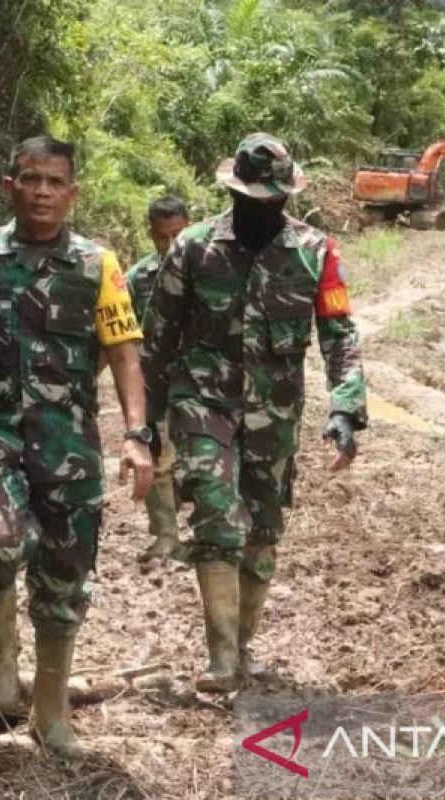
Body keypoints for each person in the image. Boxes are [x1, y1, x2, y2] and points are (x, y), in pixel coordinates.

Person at [0, 135, 154, 756]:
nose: (42, 191)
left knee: (65, 577)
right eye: (30, 179)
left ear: (72, 193)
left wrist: (136, 435)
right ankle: (0, 641)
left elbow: (125, 353)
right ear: (9, 186)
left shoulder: (98, 265)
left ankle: (49, 715)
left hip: (67, 445)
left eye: (54, 182)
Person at [141, 133, 367, 693]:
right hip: (203, 403)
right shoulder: (192, 249)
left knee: (263, 533)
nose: (264, 209)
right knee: (218, 518)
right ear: (233, 192)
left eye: (275, 200)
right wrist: (142, 424)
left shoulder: (316, 252)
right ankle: (219, 660)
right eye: (253, 199)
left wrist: (346, 409)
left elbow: (339, 335)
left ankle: (241, 648)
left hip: (275, 415)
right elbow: (157, 341)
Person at [125, 196, 189, 561]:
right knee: (156, 454)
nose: (172, 246)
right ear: (151, 235)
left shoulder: (208, 269)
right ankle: (166, 534)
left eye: (179, 235)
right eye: (163, 238)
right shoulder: (138, 279)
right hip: (154, 382)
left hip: (199, 382)